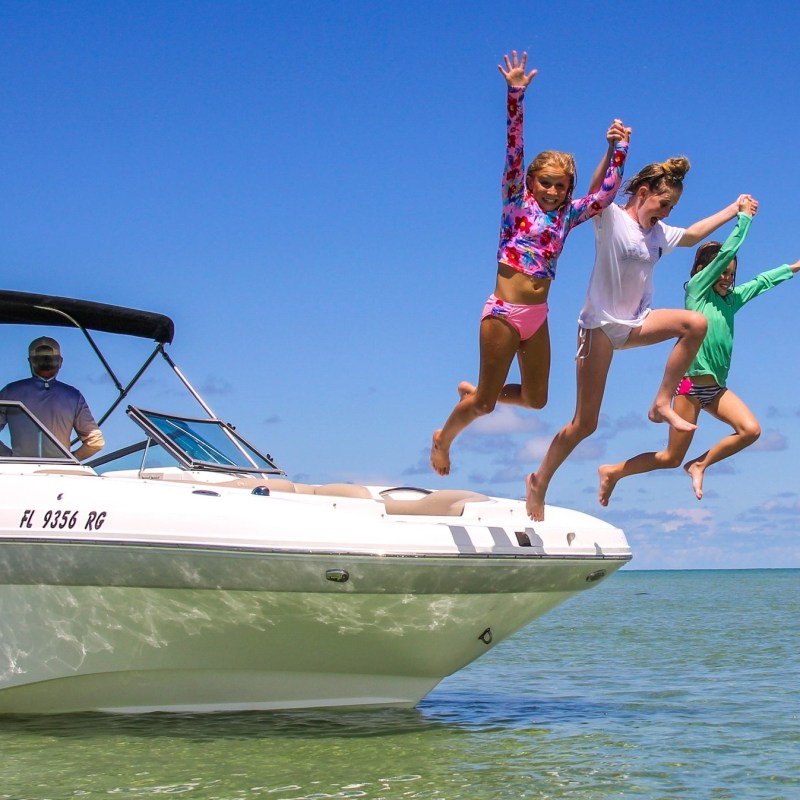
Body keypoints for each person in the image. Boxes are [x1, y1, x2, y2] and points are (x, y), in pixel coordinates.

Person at [430, 50, 630, 476]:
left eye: (561, 185)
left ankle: (483, 390)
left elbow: (607, 196)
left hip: (537, 316)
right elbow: (514, 147)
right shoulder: (514, 204)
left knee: (537, 399)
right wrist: (516, 95)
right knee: (484, 405)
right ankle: (444, 438)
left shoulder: (567, 216)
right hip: (503, 313)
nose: (554, 191)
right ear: (530, 181)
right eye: (546, 183)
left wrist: (620, 149)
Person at [524, 154, 754, 521]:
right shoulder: (611, 217)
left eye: (673, 206)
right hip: (599, 327)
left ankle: (663, 401)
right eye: (664, 204)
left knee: (694, 323)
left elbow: (694, 234)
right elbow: (596, 190)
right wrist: (612, 148)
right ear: (642, 192)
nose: (667, 212)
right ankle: (539, 481)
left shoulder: (660, 234)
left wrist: (735, 209)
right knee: (585, 424)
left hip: (636, 323)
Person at [597, 197, 799, 503]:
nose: (728, 278)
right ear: (704, 270)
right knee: (669, 458)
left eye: (731, 274)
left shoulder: (731, 300)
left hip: (715, 388)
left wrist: (795, 266)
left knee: (751, 430)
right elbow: (727, 252)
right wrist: (744, 220)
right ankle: (613, 471)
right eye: (723, 272)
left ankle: (700, 463)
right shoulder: (697, 292)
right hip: (689, 385)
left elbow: (762, 282)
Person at [0, 336, 105, 460]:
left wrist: (12, 457)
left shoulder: (11, 391)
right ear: (60, 362)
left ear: (30, 361)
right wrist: (68, 460)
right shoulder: (73, 396)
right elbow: (95, 442)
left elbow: (96, 442)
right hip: (59, 472)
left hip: (20, 471)